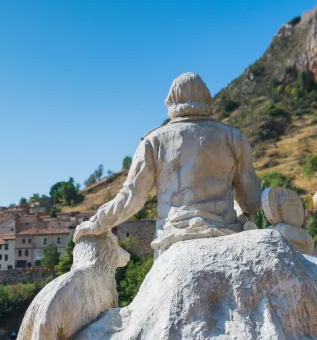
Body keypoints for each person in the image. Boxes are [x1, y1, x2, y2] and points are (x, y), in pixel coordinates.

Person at [74, 72, 262, 255]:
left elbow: (132, 198)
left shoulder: (153, 141)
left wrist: (97, 223)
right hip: (226, 236)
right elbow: (252, 200)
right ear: (206, 98)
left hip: (173, 240)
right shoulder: (234, 137)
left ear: (171, 100)